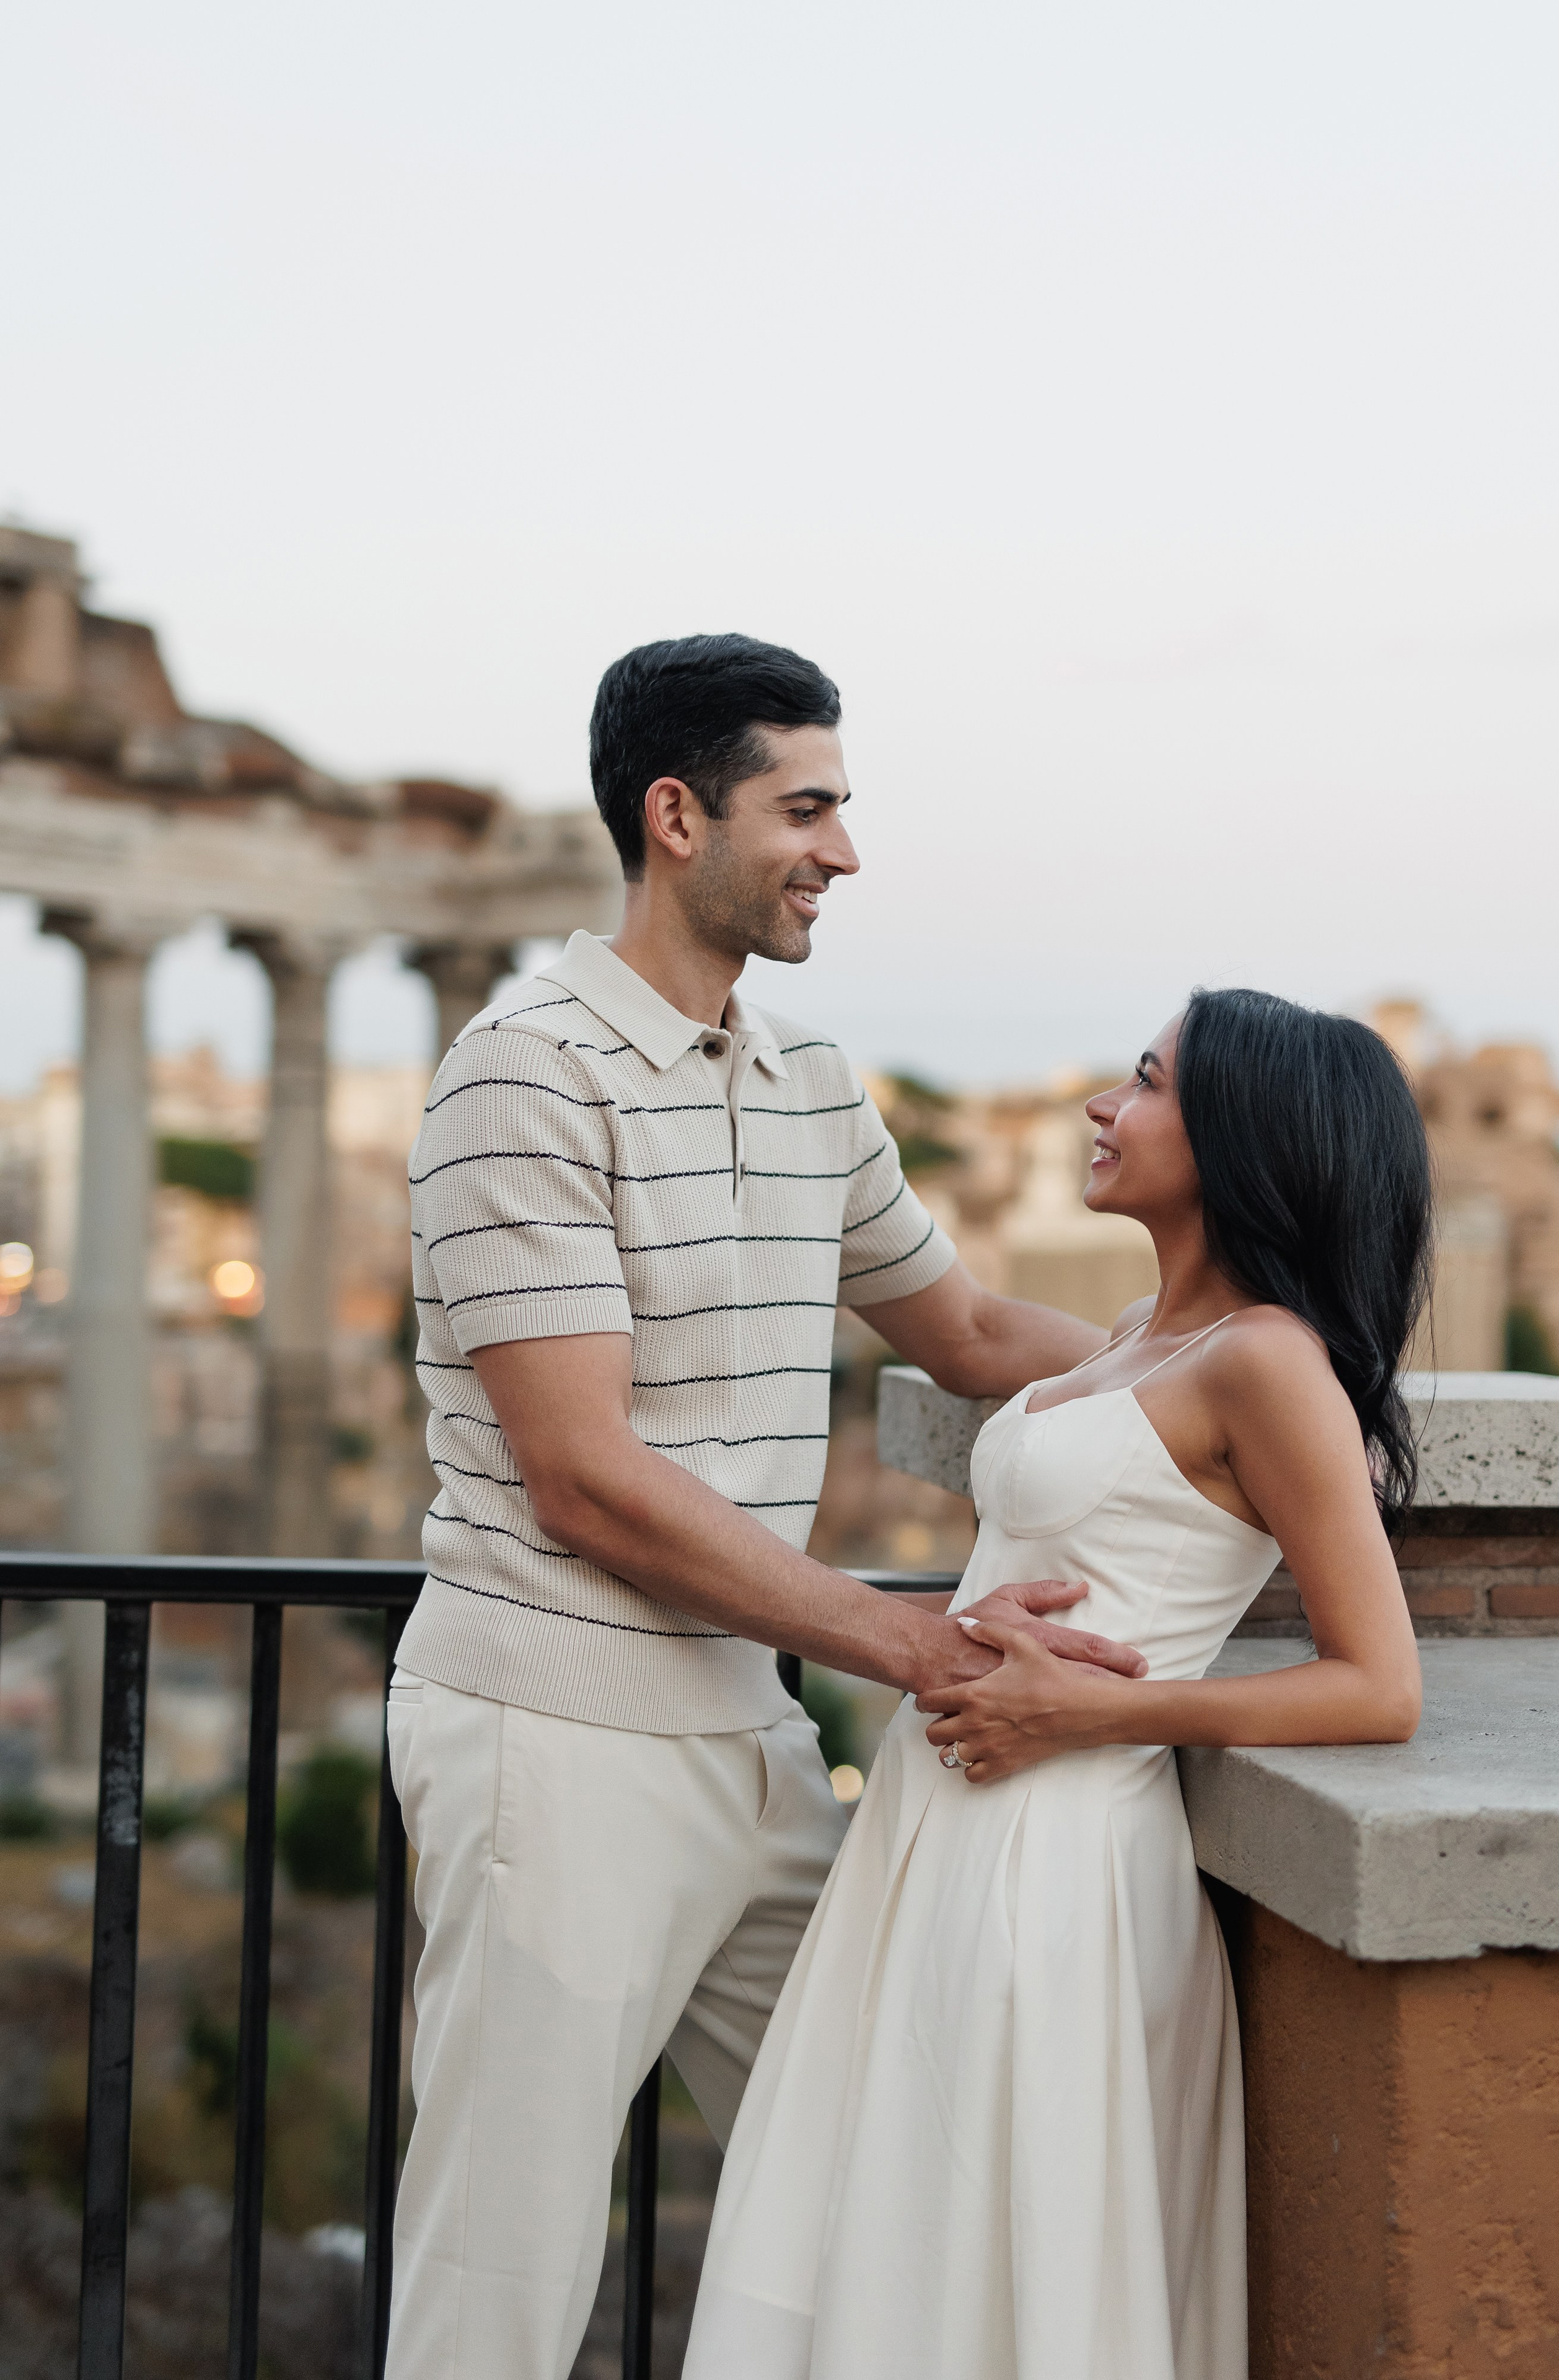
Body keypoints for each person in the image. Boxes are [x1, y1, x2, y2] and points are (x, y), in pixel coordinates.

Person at [382, 633, 1149, 2380]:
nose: (842, 853)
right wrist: (907, 1641)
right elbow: (585, 1476)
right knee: (496, 2287)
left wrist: (1221, 1368)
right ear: (677, 818)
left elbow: (966, 1334)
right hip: (553, 1742)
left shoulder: (808, 1078)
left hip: (753, 1735)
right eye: (805, 811)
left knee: (890, 2171)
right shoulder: (520, 1071)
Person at [682, 987, 1433, 2380]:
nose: (1102, 1103)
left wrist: (1098, 1711)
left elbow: (1378, 1684)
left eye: (1145, 1082)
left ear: (1241, 1137)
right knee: (896, 2233)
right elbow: (994, 1384)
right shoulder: (1142, 1332)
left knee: (992, 2243)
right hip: (938, 1827)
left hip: (1061, 1855)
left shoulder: (1269, 1364)